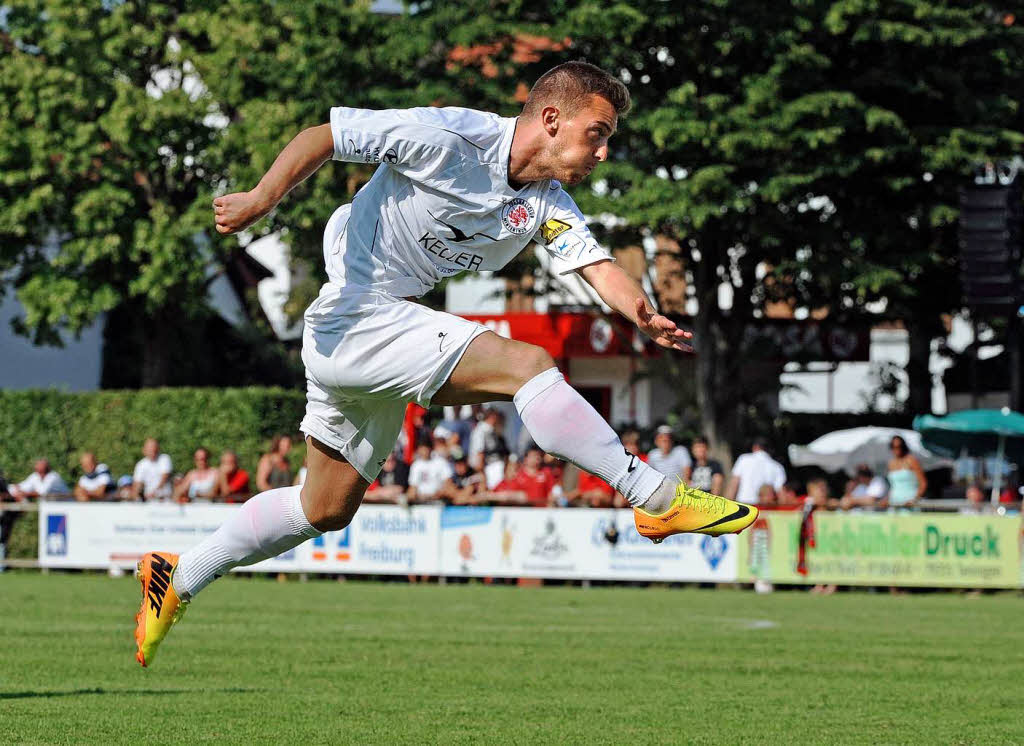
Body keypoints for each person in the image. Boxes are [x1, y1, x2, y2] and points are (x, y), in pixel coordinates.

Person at [135, 61, 758, 666]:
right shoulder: (450, 137)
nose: (602, 153)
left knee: (323, 508)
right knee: (527, 364)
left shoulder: (546, 202)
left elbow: (595, 265)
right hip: (356, 313)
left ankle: (178, 574)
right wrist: (260, 199)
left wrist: (642, 313)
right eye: (597, 134)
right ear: (550, 119)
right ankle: (651, 495)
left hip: (378, 330)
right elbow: (326, 135)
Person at [726, 438, 786, 506]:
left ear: (755, 447)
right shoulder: (777, 466)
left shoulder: (743, 459)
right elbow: (781, 494)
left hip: (744, 506)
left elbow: (733, 484)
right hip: (766, 509)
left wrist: (727, 505)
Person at [886, 435, 926, 509]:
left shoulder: (912, 460)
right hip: (894, 502)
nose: (897, 449)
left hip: (909, 502)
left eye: (899, 446)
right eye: (893, 446)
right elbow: (893, 486)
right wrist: (886, 499)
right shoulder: (891, 463)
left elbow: (923, 483)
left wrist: (914, 500)